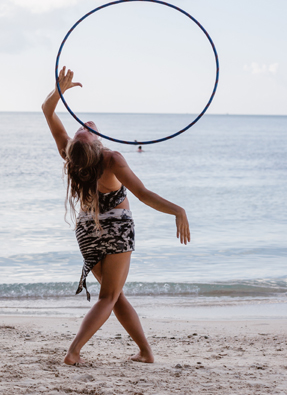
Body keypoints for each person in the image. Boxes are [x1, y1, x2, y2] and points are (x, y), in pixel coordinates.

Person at [41, 66, 191, 366]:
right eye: (87, 130)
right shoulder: (111, 159)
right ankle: (73, 352)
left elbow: (47, 110)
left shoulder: (69, 154)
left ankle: (146, 352)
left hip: (86, 230)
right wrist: (178, 210)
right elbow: (144, 194)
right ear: (97, 145)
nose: (86, 125)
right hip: (117, 231)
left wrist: (59, 91)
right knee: (108, 298)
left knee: (115, 295)